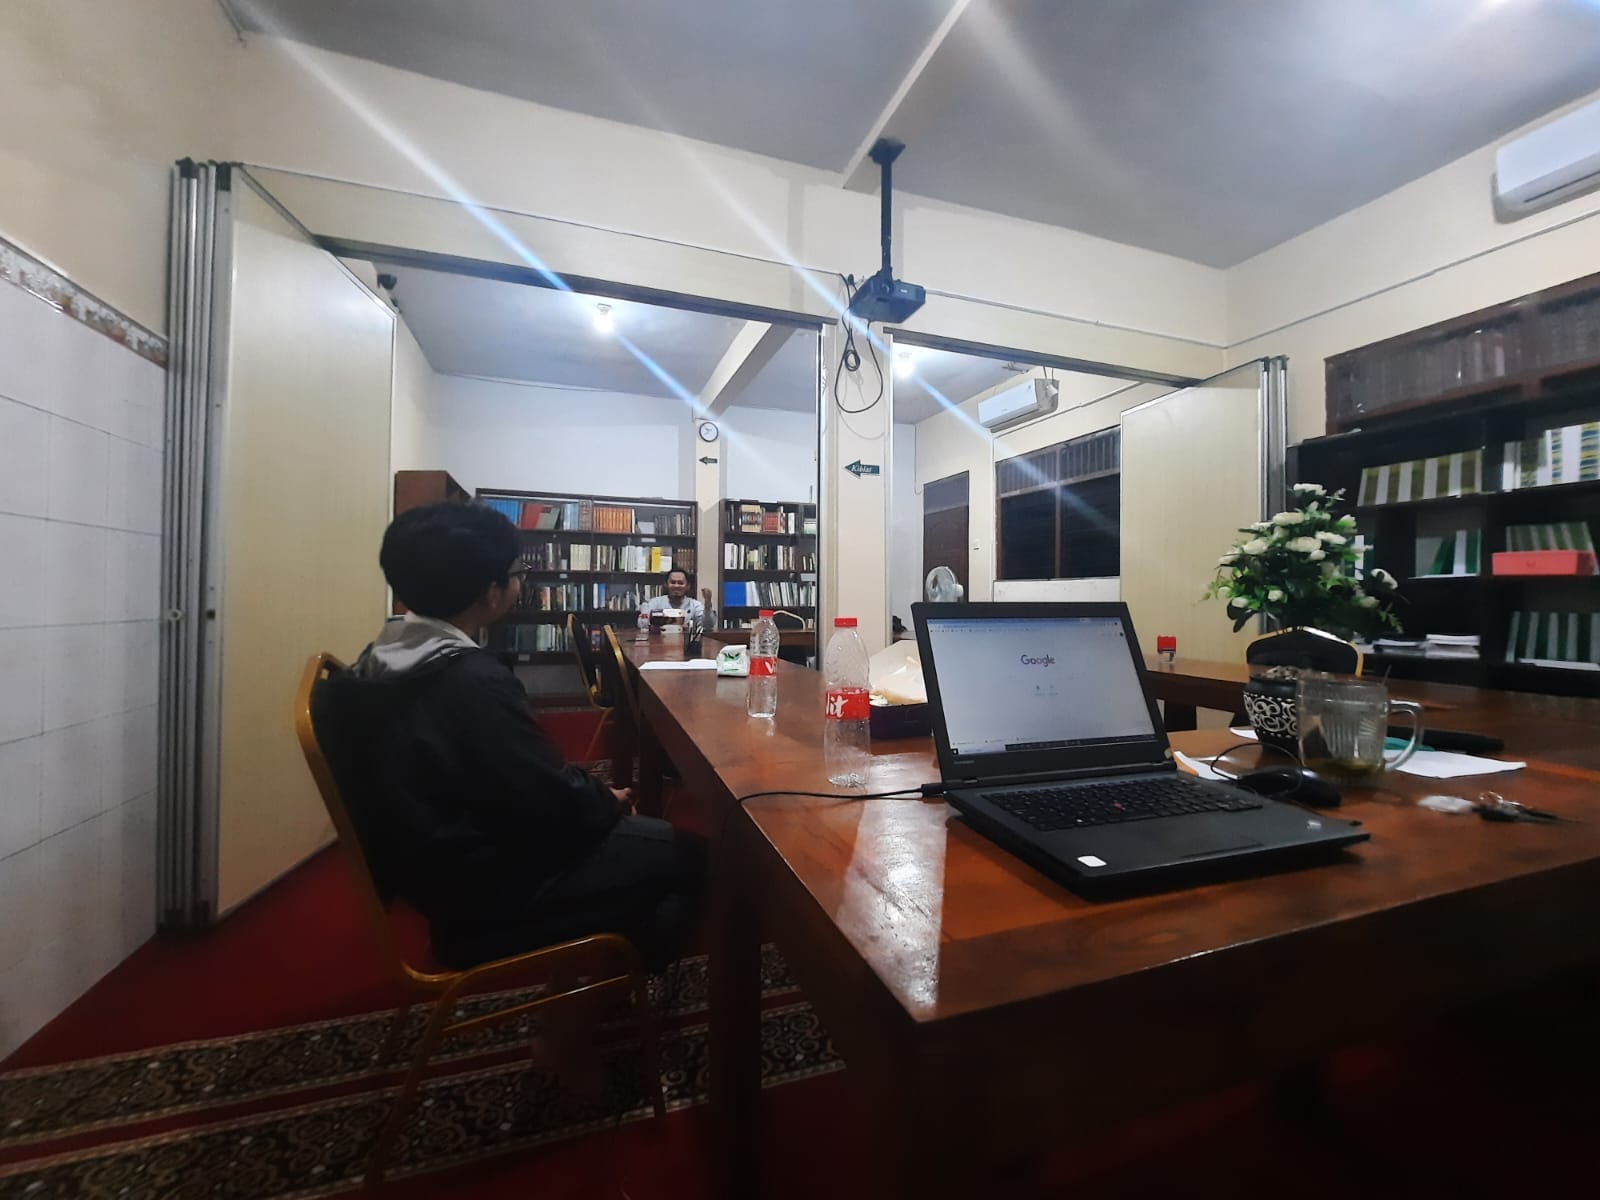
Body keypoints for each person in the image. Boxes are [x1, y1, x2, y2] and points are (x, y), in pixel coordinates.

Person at [321, 501, 699, 973]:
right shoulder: (469, 680)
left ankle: (604, 973)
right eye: (518, 573)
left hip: (437, 871)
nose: (522, 583)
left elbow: (514, 777)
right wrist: (606, 801)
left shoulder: (376, 661)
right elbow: (545, 798)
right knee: (690, 856)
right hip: (492, 887)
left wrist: (592, 797)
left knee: (648, 850)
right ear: (490, 590)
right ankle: (595, 1000)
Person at [637, 569, 705, 625]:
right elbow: (641, 624)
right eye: (673, 582)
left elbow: (706, 626)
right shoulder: (655, 602)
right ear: (666, 585)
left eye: (680, 583)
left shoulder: (695, 605)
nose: (676, 586)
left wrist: (708, 605)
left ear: (688, 586)